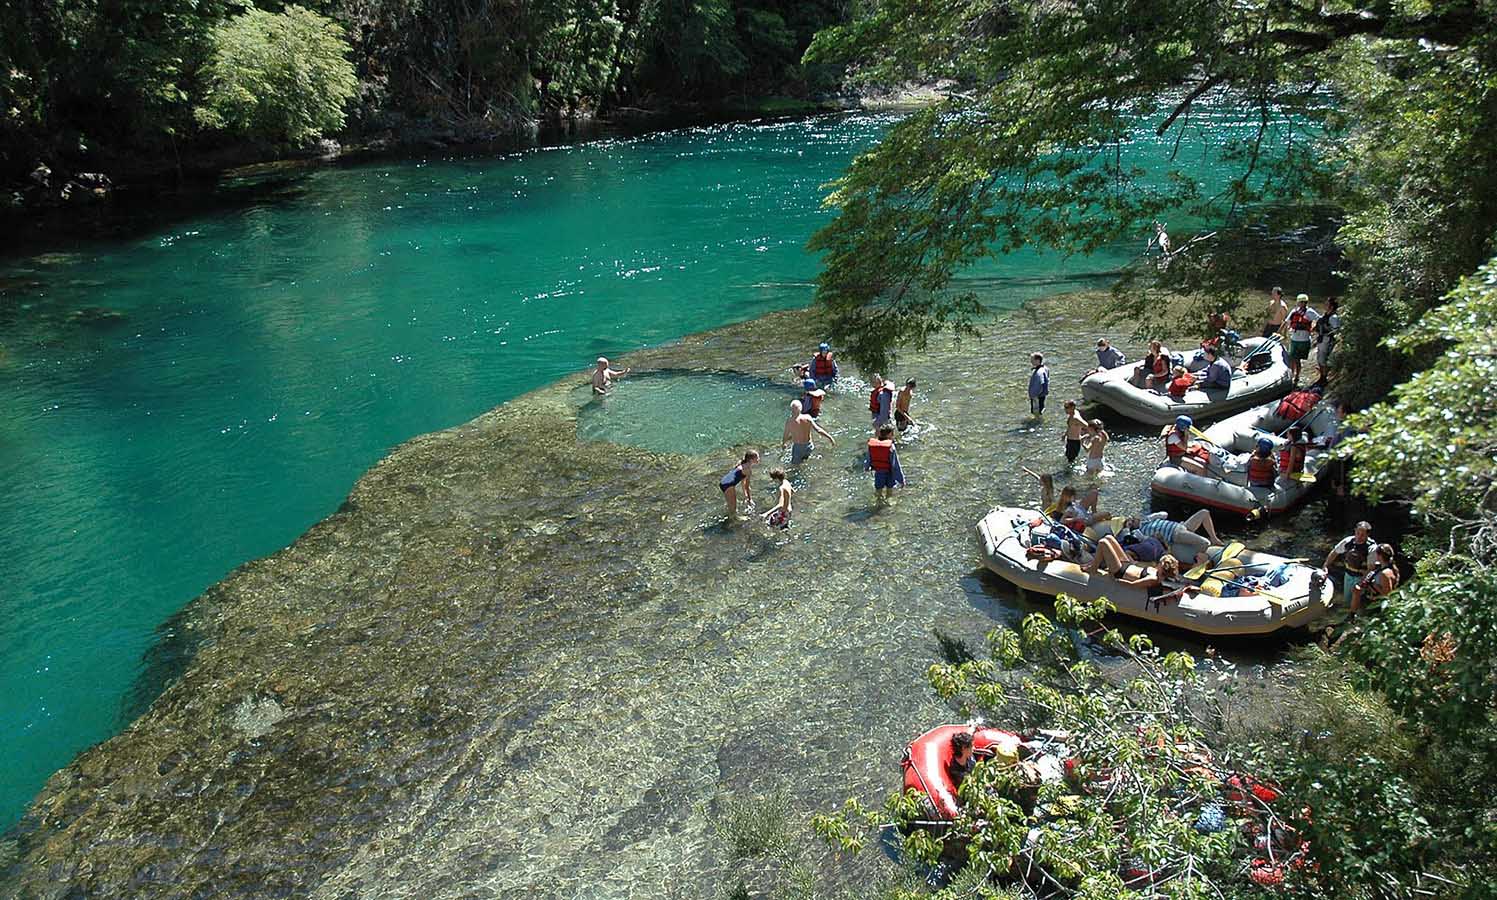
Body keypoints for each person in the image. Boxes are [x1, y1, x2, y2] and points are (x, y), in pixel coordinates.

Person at [1129, 509, 1222, 564]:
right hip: (1174, 534)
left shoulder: (1147, 520)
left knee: (1204, 512)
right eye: (1132, 522)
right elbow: (1145, 539)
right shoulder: (1139, 532)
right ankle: (1198, 561)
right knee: (1205, 542)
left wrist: (1152, 516)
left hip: (1181, 526)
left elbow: (1165, 514)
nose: (1135, 520)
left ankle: (1214, 539)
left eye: (1134, 519)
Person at [1323, 521, 1375, 603]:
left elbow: (1371, 569)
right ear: (1355, 530)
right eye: (1357, 533)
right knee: (1347, 600)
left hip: (1362, 577)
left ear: (1367, 535)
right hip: (1348, 575)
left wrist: (1362, 583)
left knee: (1359, 601)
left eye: (1362, 535)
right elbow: (1335, 552)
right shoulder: (1348, 541)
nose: (1359, 536)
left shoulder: (1371, 548)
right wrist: (1326, 565)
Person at [1349, 544, 1399, 613]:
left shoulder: (1385, 573)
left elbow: (1388, 594)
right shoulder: (1379, 567)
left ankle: (1353, 616)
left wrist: (1374, 585)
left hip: (1377, 601)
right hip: (1371, 596)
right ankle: (1352, 615)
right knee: (1356, 589)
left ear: (1380, 556)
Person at [781, 399, 835, 464]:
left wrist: (784, 443)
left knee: (795, 466)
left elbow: (785, 436)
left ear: (791, 410)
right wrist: (830, 437)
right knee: (807, 461)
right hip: (809, 445)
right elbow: (818, 430)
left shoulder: (789, 422)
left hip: (798, 448)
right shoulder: (807, 417)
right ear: (801, 408)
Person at [1285, 294, 1320, 385]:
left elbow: (1319, 319)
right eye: (1300, 302)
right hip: (1295, 338)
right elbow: (1287, 321)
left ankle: (1297, 376)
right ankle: (1292, 375)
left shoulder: (1310, 312)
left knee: (1297, 359)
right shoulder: (1294, 311)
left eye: (1303, 302)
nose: (1301, 304)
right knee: (1293, 358)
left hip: (1304, 340)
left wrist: (1313, 327)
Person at [866, 425, 905, 499]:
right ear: (889, 434)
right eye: (892, 433)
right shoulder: (891, 447)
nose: (893, 435)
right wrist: (901, 480)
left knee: (878, 491)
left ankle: (878, 505)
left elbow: (869, 458)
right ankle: (888, 506)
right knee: (889, 491)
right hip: (889, 474)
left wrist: (867, 467)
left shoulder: (873, 446)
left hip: (878, 473)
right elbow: (895, 465)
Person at [719, 450, 759, 520]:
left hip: (723, 483)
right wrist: (750, 499)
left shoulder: (742, 465)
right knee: (733, 509)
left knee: (731, 505)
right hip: (728, 485)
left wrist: (745, 495)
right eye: (757, 458)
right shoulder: (748, 470)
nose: (759, 459)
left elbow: (742, 482)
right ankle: (733, 520)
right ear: (751, 459)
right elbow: (747, 486)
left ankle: (730, 516)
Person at [1314, 296, 1340, 384]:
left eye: (1327, 304)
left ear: (1331, 306)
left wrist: (1327, 330)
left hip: (1327, 340)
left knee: (1323, 360)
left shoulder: (1333, 317)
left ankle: (1324, 379)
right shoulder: (1325, 315)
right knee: (1320, 359)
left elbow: (1336, 330)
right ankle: (1322, 377)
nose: (1325, 305)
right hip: (1322, 339)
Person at [1063, 400, 1088, 466]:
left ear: (1073, 407)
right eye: (1065, 407)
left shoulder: (1075, 418)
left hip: (1074, 441)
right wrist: (1065, 435)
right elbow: (1070, 427)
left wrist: (1087, 434)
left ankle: (1069, 474)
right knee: (1069, 457)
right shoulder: (1073, 414)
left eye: (1067, 407)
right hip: (1070, 440)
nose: (1065, 409)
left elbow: (1086, 425)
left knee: (1071, 460)